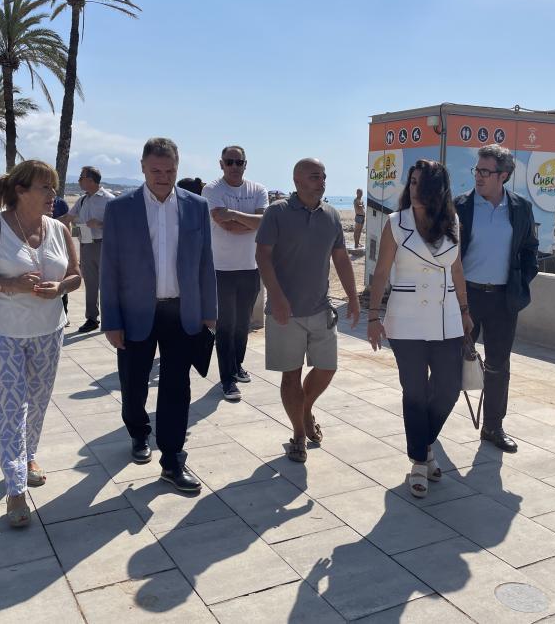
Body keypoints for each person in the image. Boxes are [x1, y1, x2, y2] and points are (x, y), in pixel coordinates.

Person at [0, 160, 81, 527]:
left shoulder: (59, 229)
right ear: (21, 190)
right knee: (11, 408)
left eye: (54, 187)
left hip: (50, 331)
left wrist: (60, 288)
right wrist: (12, 285)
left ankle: (28, 456)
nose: (53, 195)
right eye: (45, 188)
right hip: (4, 333)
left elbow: (76, 276)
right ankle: (15, 490)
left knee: (39, 402)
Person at [101, 137, 217, 493]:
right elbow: (110, 268)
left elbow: (205, 262)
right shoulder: (120, 209)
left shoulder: (197, 206)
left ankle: (172, 459)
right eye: (156, 170)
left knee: (176, 387)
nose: (163, 177)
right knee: (133, 384)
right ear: (142, 167)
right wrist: (111, 321)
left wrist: (209, 312)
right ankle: (138, 432)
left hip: (181, 312)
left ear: (177, 168)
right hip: (135, 313)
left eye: (170, 171)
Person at [366, 160, 472, 497]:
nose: (414, 189)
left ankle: (424, 446)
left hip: (446, 318)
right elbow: (381, 272)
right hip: (406, 320)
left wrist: (465, 311)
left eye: (421, 184)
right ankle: (419, 460)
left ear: (437, 189)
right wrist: (373, 317)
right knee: (414, 392)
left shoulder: (453, 221)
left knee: (448, 389)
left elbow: (457, 271)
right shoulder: (396, 223)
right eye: (411, 182)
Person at [256, 158, 360, 463]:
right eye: (315, 176)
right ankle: (299, 434)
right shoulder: (277, 212)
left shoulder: (331, 215)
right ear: (297, 180)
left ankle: (305, 408)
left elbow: (341, 258)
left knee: (327, 368)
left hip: (320, 308)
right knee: (291, 376)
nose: (322, 181)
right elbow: (262, 256)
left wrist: (353, 298)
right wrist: (276, 297)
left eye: (324, 176)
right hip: (284, 312)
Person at [455, 144, 538, 453]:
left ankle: (493, 427)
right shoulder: (460, 206)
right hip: (466, 296)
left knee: (498, 365)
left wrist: (520, 282)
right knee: (450, 361)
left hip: (503, 299)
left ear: (503, 175)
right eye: (476, 170)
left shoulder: (520, 208)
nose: (478, 176)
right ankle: (432, 421)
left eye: (485, 171)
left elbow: (529, 249)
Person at [202, 146, 268, 402]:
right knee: (225, 326)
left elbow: (262, 222)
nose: (234, 166)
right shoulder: (212, 189)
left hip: (250, 267)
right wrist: (248, 221)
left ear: (245, 164)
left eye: (238, 162)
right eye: (229, 162)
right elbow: (226, 225)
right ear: (221, 164)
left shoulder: (258, 189)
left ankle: (237, 365)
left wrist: (233, 214)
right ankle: (227, 379)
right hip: (221, 269)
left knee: (243, 324)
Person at [59, 166, 114, 333]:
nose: (78, 181)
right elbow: (67, 218)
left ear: (90, 180)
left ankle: (112, 318)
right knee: (90, 283)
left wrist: (100, 224)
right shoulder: (82, 200)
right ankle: (92, 318)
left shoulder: (109, 199)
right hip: (86, 245)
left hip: (104, 245)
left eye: (80, 178)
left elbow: (121, 224)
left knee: (107, 284)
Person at [52, 195, 71, 326]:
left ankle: (64, 314)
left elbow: (67, 225)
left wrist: (67, 246)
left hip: (59, 247)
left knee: (62, 279)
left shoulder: (61, 203)